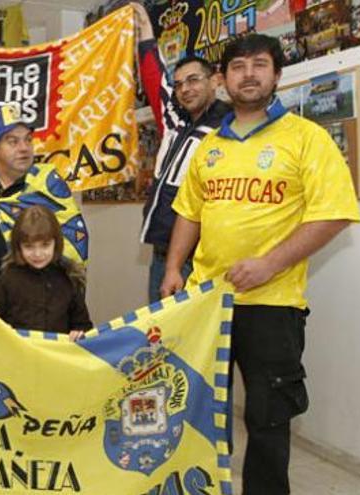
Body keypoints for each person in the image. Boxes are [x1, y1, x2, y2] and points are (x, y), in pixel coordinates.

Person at [160, 34, 360, 495]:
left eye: (259, 65)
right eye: (238, 67)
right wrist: (174, 268)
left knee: (268, 417)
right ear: (223, 79)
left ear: (276, 74)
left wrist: (270, 264)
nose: (248, 74)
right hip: (206, 303)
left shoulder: (306, 138)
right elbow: (189, 212)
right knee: (195, 409)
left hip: (272, 303)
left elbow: (333, 214)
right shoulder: (210, 146)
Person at [132, 2, 231, 303]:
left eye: (193, 80)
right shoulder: (175, 123)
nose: (184, 89)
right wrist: (146, 32)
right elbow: (155, 81)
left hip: (205, 256)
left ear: (215, 80)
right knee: (160, 340)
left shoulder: (229, 128)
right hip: (164, 256)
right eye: (179, 85)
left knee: (203, 342)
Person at [0, 103, 88, 297]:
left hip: (41, 304)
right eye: (13, 141)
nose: (24, 148)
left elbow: (74, 241)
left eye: (28, 140)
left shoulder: (48, 185)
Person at [0, 205, 91, 340]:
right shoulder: (8, 278)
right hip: (19, 356)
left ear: (56, 242)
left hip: (56, 356)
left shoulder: (69, 277)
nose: (38, 254)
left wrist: (79, 333)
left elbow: (83, 325)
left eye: (45, 245)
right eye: (29, 246)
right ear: (18, 246)